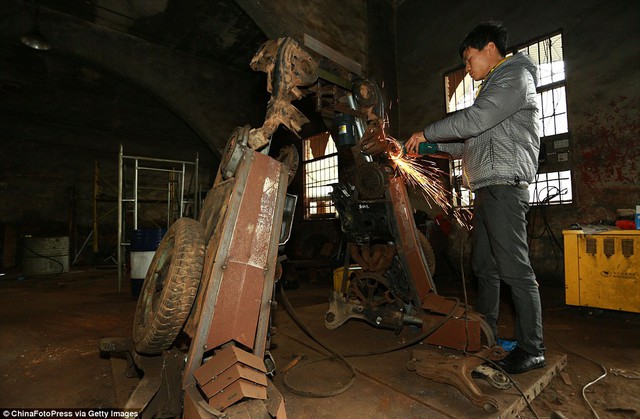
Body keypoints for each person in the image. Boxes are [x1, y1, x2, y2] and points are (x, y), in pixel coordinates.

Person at [405, 22, 545, 374]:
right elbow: (466, 141)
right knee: (485, 266)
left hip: (504, 188)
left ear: (490, 49)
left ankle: (533, 348)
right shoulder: (493, 89)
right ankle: (489, 335)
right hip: (486, 189)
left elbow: (474, 121)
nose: (467, 69)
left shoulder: (514, 77)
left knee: (515, 270)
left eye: (469, 60)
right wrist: (426, 144)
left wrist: (427, 130)